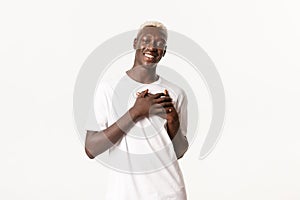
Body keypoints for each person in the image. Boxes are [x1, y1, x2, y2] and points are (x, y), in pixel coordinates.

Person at [84, 21, 189, 200]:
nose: (152, 47)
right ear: (135, 43)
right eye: (146, 40)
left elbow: (179, 152)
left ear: (164, 51)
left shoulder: (175, 93)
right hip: (124, 194)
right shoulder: (108, 89)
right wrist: (135, 112)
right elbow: (91, 148)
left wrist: (174, 121)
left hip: (169, 193)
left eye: (159, 43)